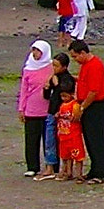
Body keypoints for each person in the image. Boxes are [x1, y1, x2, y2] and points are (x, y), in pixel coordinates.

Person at [70, 39, 104, 185]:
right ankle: (95, 170)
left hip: (95, 107)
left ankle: (101, 173)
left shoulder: (94, 65)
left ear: (83, 53)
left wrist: (82, 107)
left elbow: (93, 91)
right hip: (89, 106)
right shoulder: (86, 65)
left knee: (98, 140)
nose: (75, 60)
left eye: (75, 56)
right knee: (90, 140)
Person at [18, 41, 52, 177]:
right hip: (31, 109)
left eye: (37, 51)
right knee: (31, 140)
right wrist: (21, 108)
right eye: (33, 50)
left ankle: (51, 166)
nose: (35, 54)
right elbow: (24, 90)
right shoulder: (28, 68)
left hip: (48, 109)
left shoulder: (51, 67)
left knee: (49, 140)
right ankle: (32, 166)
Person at [38, 49, 73, 180]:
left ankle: (65, 168)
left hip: (63, 113)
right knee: (49, 140)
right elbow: (48, 97)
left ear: (64, 66)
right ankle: (50, 166)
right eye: (53, 65)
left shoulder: (67, 79)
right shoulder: (54, 78)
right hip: (52, 112)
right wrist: (47, 87)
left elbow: (64, 94)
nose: (54, 68)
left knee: (64, 141)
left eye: (56, 65)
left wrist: (57, 85)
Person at [55, 82, 86, 181]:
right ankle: (67, 172)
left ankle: (79, 174)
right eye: (62, 96)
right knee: (65, 156)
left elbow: (76, 118)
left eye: (65, 96)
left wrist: (70, 117)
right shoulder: (62, 105)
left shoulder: (75, 105)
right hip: (63, 135)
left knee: (77, 156)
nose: (63, 98)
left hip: (73, 135)